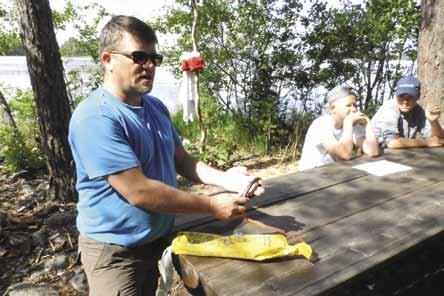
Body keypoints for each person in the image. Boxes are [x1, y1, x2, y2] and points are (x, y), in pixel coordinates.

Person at [68, 15, 264, 296]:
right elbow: (139, 192)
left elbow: (182, 160)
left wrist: (232, 181)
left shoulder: (155, 106)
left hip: (159, 237)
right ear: (107, 59)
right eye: (139, 56)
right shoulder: (96, 117)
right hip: (116, 251)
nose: (149, 65)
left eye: (154, 58)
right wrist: (211, 206)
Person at [298, 85, 379, 171]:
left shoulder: (351, 123)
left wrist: (368, 125)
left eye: (355, 105)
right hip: (311, 175)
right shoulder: (320, 125)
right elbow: (345, 153)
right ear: (332, 109)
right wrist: (348, 123)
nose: (354, 109)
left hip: (334, 173)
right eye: (348, 105)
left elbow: (373, 151)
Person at [371, 75, 443, 149]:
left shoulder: (417, 110)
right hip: (373, 155)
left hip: (395, 154)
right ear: (396, 95)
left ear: (418, 96)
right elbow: (392, 143)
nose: (405, 101)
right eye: (401, 96)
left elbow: (438, 139)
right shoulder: (390, 110)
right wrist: (426, 142)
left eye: (410, 96)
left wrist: (433, 122)